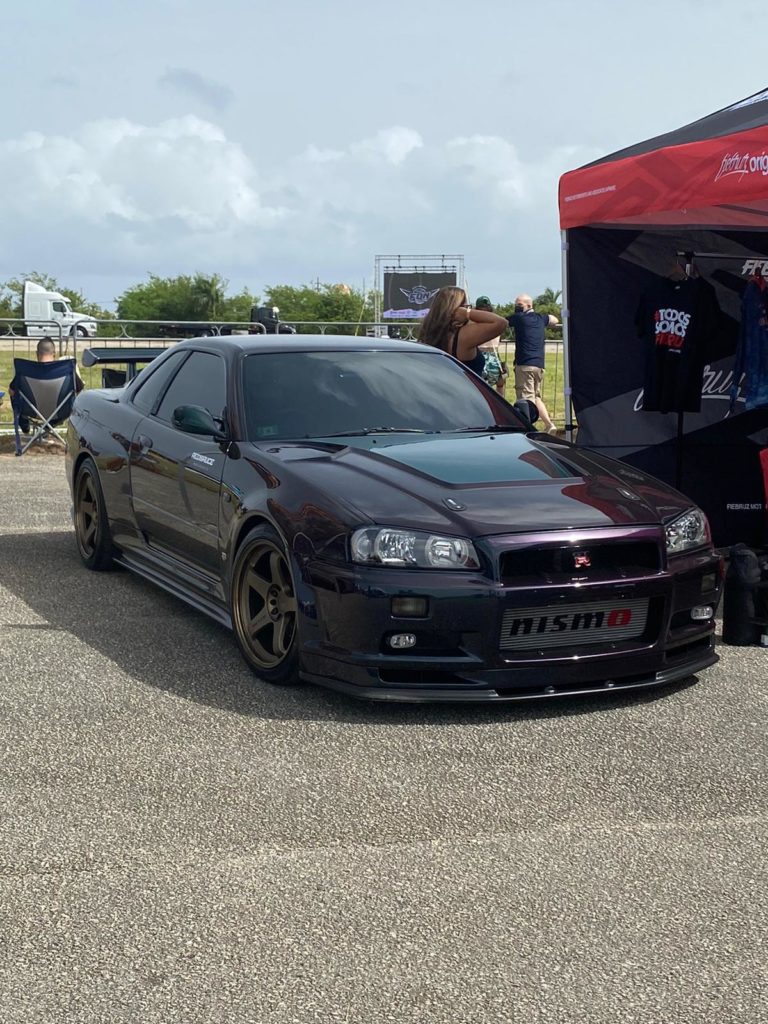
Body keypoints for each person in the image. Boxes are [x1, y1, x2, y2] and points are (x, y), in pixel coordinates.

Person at [419, 287, 508, 377]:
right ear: (458, 309)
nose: (468, 309)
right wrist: (467, 313)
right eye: (466, 307)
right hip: (466, 389)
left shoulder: (429, 334)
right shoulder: (462, 336)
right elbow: (501, 323)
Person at [9, 337, 84, 434]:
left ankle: (24, 425)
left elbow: (11, 391)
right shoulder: (66, 369)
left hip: (31, 412)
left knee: (14, 395)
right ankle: (51, 424)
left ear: (37, 353)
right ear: (54, 353)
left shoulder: (26, 370)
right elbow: (79, 390)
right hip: (61, 412)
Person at [508, 294, 559, 433]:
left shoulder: (518, 318)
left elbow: (501, 322)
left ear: (529, 306)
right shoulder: (540, 318)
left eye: (519, 305)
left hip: (525, 364)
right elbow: (554, 319)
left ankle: (528, 429)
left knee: (525, 399)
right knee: (536, 397)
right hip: (539, 364)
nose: (517, 307)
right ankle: (549, 424)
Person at [474, 295, 508, 395]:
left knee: (480, 388)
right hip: (494, 356)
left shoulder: (474, 323)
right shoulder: (496, 322)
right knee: (500, 384)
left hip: (479, 355)